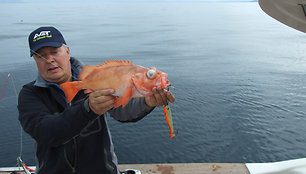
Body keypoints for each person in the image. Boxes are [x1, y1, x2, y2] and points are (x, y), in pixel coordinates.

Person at [18, 26, 175, 174]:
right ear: (35, 60)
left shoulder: (97, 80)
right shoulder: (30, 94)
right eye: (41, 56)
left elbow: (122, 111)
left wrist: (147, 102)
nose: (49, 59)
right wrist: (88, 109)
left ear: (67, 51)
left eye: (54, 51)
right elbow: (47, 133)